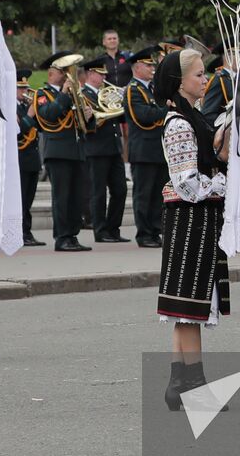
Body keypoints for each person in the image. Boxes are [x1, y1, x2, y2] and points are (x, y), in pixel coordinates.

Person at [155, 48, 231, 411]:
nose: (205, 79)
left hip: (196, 218)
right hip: (189, 218)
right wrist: (225, 186)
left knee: (186, 306)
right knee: (189, 307)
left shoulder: (193, 116)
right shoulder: (178, 122)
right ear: (179, 81)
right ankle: (196, 388)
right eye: (199, 74)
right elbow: (187, 183)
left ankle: (177, 384)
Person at [37, 51, 92, 251]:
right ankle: (62, 237)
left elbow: (86, 126)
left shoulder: (72, 94)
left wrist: (88, 115)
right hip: (58, 152)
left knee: (78, 197)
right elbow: (48, 116)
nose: (69, 74)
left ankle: (73, 235)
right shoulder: (42, 94)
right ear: (52, 73)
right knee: (62, 197)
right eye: (63, 71)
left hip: (76, 151)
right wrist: (63, 95)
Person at [81, 55, 128, 243]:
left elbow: (119, 117)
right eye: (101, 74)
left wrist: (123, 101)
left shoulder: (106, 93)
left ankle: (113, 228)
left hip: (114, 147)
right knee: (98, 192)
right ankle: (100, 231)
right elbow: (87, 122)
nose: (104, 77)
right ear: (91, 74)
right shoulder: (84, 95)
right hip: (96, 148)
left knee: (120, 190)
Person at [126, 46, 169, 248]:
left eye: (152, 64)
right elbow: (143, 116)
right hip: (143, 150)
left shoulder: (152, 89)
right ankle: (144, 233)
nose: (152, 68)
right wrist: (166, 109)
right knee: (143, 195)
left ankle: (155, 230)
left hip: (158, 149)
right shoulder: (133, 90)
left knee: (157, 195)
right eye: (148, 65)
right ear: (137, 67)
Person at [16, 69, 45, 247]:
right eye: (20, 88)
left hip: (32, 159)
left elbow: (40, 128)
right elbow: (18, 132)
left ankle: (27, 232)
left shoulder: (25, 106)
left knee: (29, 198)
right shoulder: (9, 107)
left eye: (26, 88)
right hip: (19, 159)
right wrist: (30, 114)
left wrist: (37, 112)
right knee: (21, 199)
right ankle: (21, 232)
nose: (25, 92)